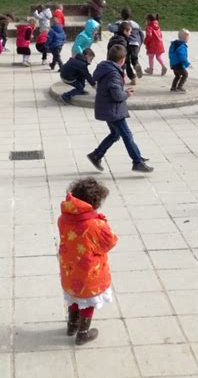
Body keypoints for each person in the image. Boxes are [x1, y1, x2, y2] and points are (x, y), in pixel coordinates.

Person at [58, 177, 118, 345]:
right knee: (87, 300)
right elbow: (110, 241)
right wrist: (102, 222)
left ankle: (72, 325)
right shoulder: (95, 224)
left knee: (74, 297)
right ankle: (83, 333)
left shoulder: (63, 219)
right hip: (90, 272)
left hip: (69, 268)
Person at [87, 44, 153, 173]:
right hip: (113, 110)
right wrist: (126, 94)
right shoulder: (113, 73)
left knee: (115, 134)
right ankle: (137, 162)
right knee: (127, 135)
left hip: (107, 108)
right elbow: (117, 96)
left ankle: (96, 155)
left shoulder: (105, 68)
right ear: (122, 60)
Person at [108, 8, 144, 79]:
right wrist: (140, 43)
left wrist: (109, 25)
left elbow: (111, 28)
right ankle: (136, 64)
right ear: (130, 15)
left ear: (121, 15)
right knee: (134, 58)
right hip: (135, 44)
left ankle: (132, 77)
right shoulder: (135, 24)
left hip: (125, 43)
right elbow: (141, 34)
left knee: (126, 61)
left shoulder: (120, 23)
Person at [107, 21, 137, 86]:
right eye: (129, 32)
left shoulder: (113, 38)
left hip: (110, 61)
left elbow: (108, 49)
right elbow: (122, 53)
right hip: (119, 62)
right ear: (125, 31)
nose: (130, 33)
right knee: (119, 78)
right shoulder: (123, 41)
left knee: (112, 76)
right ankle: (118, 91)